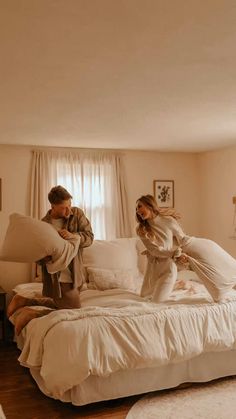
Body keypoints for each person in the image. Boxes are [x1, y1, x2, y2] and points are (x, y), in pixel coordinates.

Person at [7, 185, 94, 335]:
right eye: (63, 208)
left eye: (69, 206)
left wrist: (75, 236)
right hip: (56, 277)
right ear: (53, 206)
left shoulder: (77, 214)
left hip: (75, 275)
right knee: (74, 313)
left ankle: (26, 301)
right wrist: (45, 257)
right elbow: (37, 255)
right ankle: (31, 313)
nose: (69, 211)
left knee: (64, 306)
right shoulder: (44, 225)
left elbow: (90, 238)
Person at [136, 194, 236, 303]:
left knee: (156, 302)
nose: (137, 211)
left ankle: (175, 283)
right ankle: (179, 285)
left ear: (149, 204)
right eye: (136, 209)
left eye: (140, 206)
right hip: (152, 268)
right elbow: (154, 250)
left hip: (168, 268)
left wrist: (181, 253)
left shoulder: (168, 221)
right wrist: (175, 253)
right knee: (144, 297)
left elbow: (182, 239)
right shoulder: (141, 229)